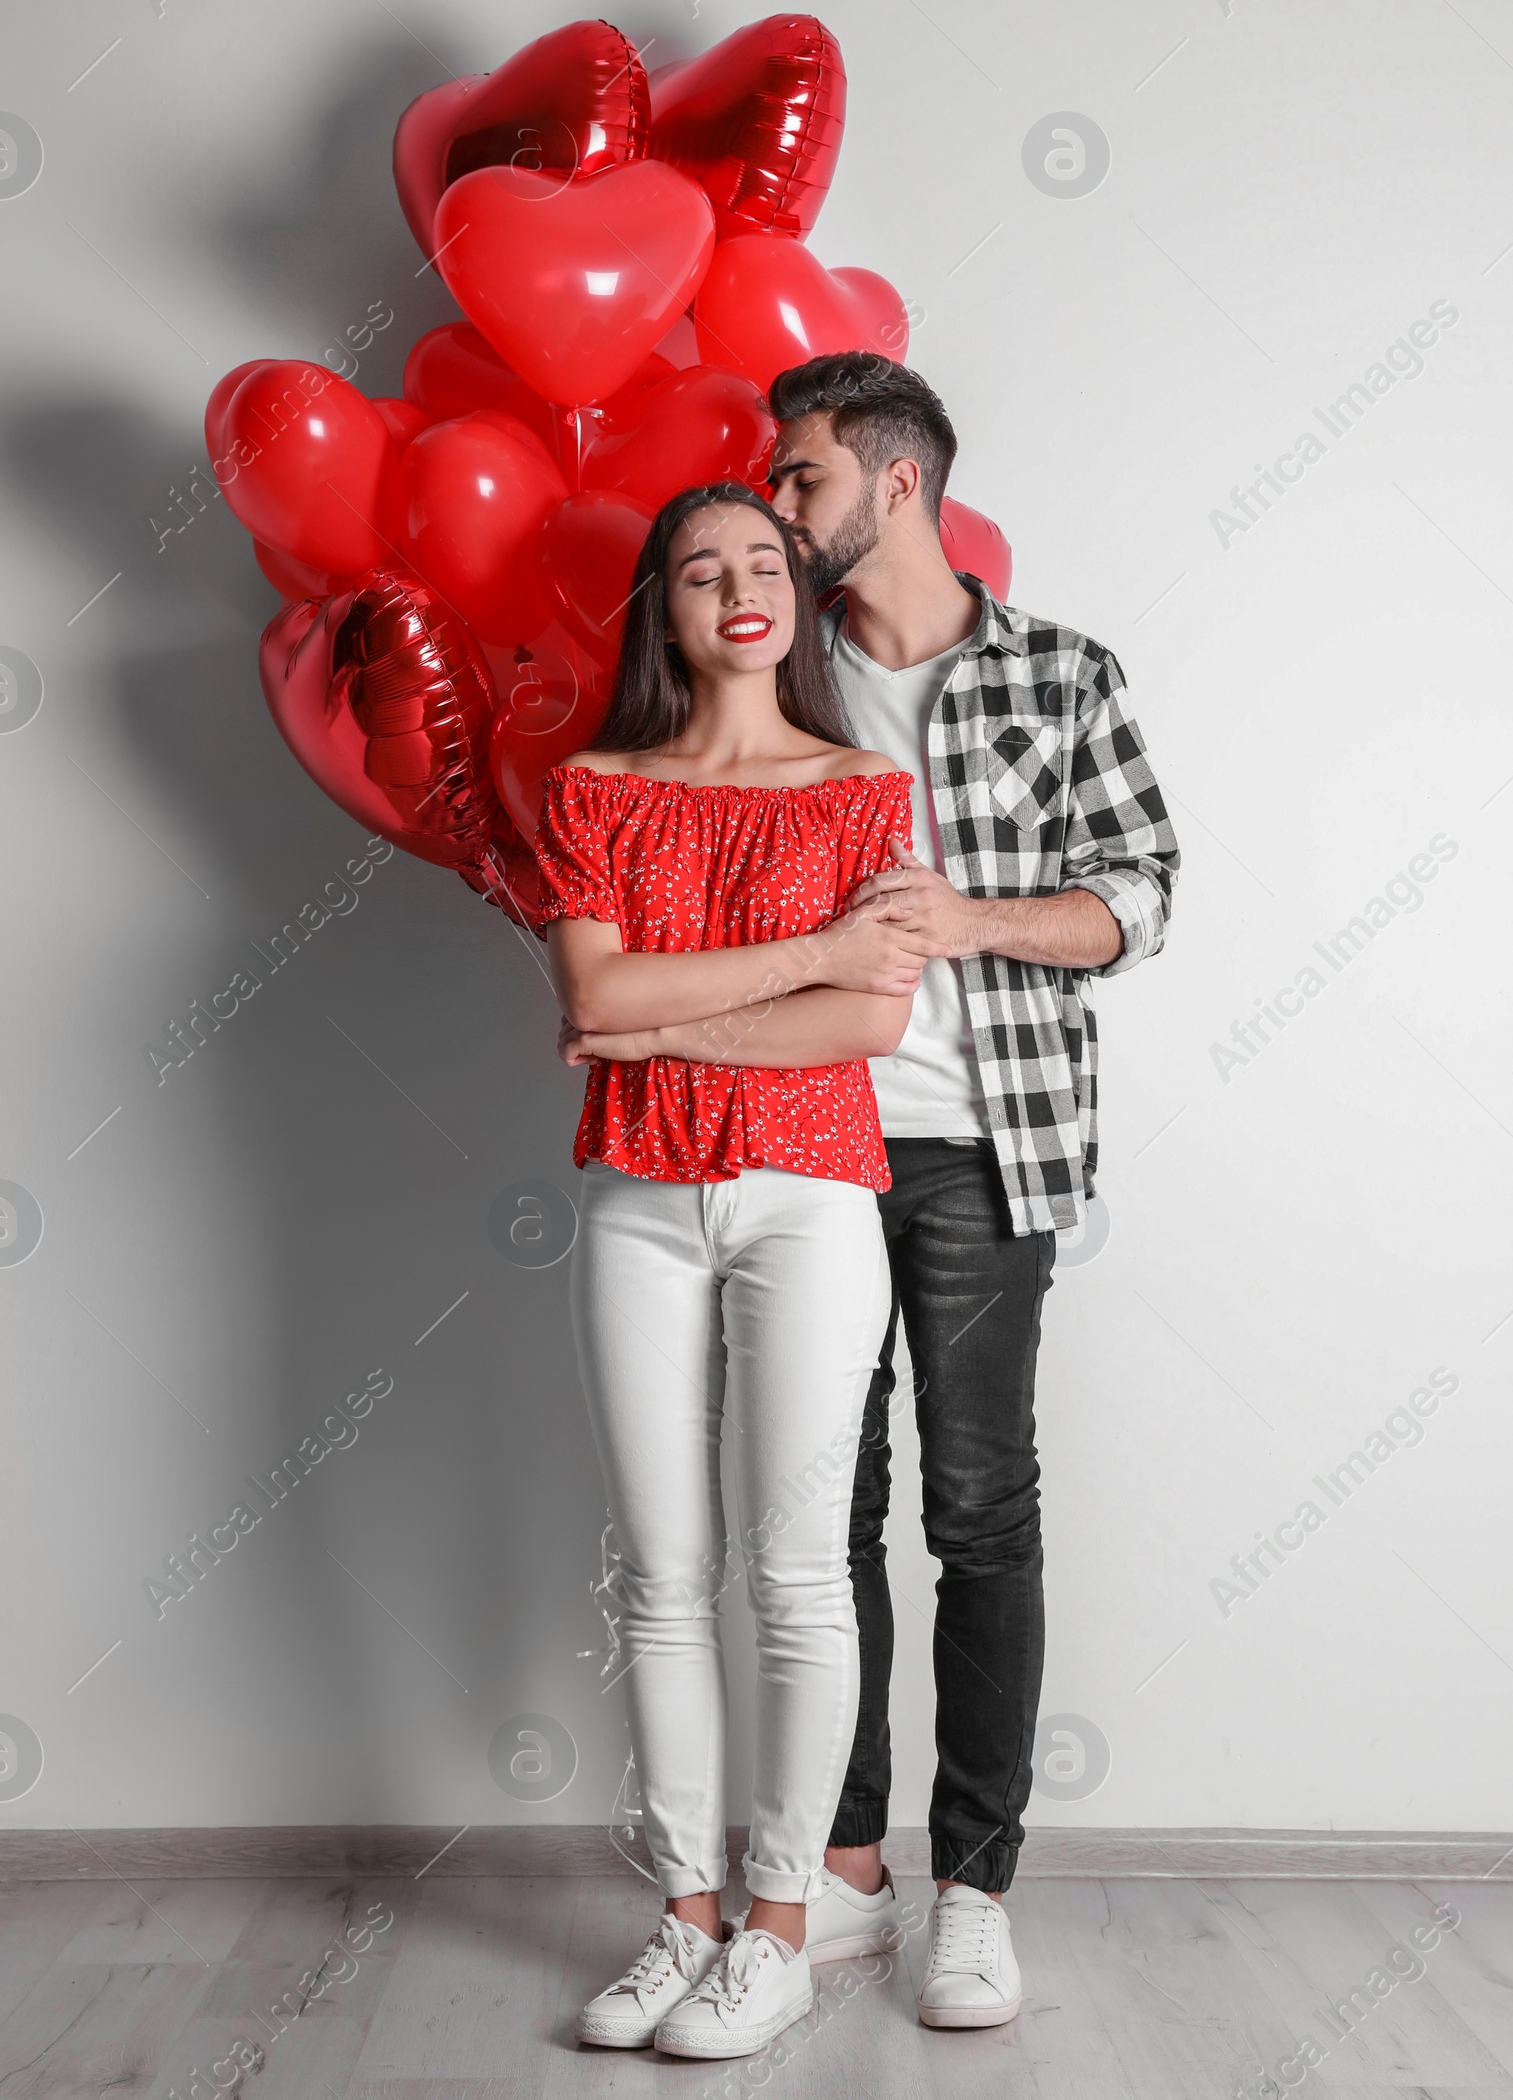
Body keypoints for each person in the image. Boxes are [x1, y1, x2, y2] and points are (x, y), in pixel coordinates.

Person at [761, 352, 1182, 2028]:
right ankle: (848, 1866)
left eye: (800, 479)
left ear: (897, 483)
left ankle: (976, 1887)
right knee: (820, 1517)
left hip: (978, 1149)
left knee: (977, 1510)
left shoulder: (1065, 673)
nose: (778, 510)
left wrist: (973, 917)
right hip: (795, 1140)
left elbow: (1141, 898)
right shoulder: (773, 673)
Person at [528, 480, 927, 2062]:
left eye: (766, 561)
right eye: (703, 570)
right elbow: (589, 983)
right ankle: (683, 1913)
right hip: (636, 1196)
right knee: (657, 1572)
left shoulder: (864, 793)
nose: (740, 587)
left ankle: (779, 1924)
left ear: (796, 599)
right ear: (666, 612)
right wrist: (802, 954)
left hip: (810, 1195)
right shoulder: (593, 786)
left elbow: (868, 1023)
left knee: (797, 1571)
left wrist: (657, 1017)